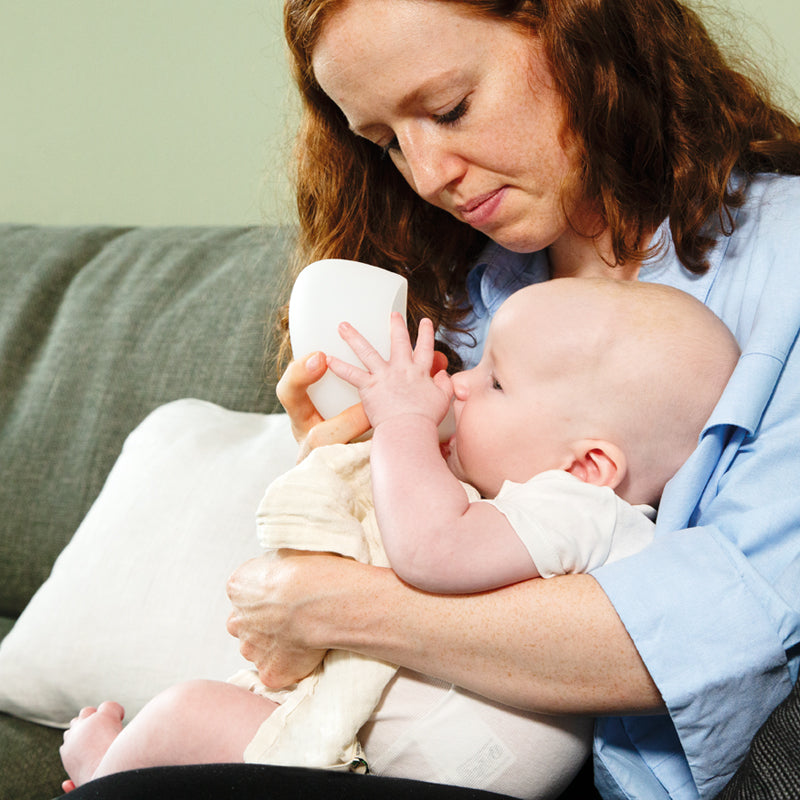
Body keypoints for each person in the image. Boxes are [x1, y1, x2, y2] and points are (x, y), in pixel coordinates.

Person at [63, 0, 800, 798]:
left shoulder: (782, 265)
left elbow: (732, 625)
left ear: (581, 31)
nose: (427, 174)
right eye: (384, 143)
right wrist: (342, 472)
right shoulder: (468, 287)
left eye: (450, 108)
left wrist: (338, 606)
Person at [58, 279, 739, 800]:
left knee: (188, 713)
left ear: (589, 464)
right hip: (416, 761)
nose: (460, 387)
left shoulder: (581, 511)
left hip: (419, 774)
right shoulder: (547, 513)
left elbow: (429, 551)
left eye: (494, 381)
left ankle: (101, 774)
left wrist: (405, 424)